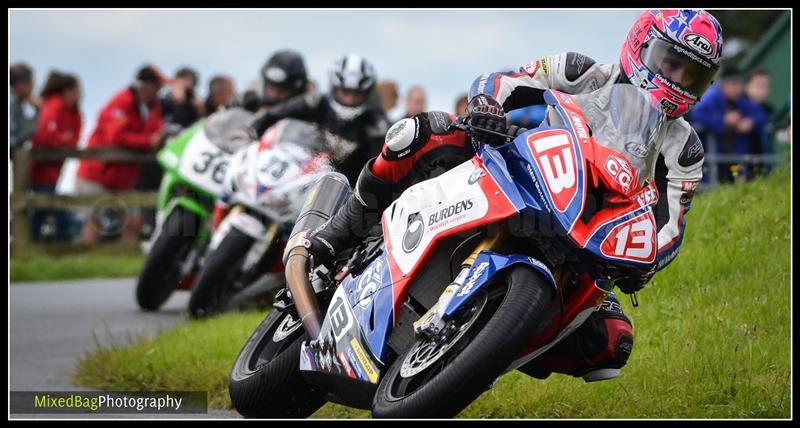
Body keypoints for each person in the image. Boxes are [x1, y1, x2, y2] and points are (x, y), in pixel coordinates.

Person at [301, 9, 723, 382]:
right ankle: (341, 232)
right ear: (642, 44)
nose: (678, 80)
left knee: (612, 343)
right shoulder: (582, 71)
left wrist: (646, 261)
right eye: (672, 63)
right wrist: (486, 106)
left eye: (694, 74)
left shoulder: (684, 149)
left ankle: (489, 346)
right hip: (516, 169)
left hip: (588, 235)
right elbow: (505, 79)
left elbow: (670, 227)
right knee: (424, 132)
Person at [243, 53, 389, 184]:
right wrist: (251, 133)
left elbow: (383, 168)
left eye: (355, 94)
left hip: (339, 195)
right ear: (334, 87)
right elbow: (273, 115)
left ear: (366, 93)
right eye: (344, 92)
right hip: (293, 176)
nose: (349, 99)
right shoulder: (315, 102)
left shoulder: (376, 125)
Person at [75, 64, 166, 245]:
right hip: (98, 174)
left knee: (134, 222)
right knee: (94, 221)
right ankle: (87, 261)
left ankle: (123, 259)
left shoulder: (152, 106)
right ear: (147, 86)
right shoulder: (121, 102)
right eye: (158, 87)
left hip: (124, 178)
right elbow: (115, 136)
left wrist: (154, 139)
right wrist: (147, 141)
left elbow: (157, 129)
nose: (160, 91)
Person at [29, 71, 82, 242]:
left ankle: (29, 249)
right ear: (68, 91)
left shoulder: (74, 112)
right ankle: (59, 249)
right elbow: (44, 136)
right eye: (78, 90)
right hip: (41, 170)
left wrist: (63, 138)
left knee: (41, 212)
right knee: (54, 212)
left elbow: (73, 139)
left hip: (53, 171)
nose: (81, 94)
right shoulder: (54, 105)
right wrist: (63, 138)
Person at [688, 67, 746, 183]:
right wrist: (723, 120)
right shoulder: (713, 95)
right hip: (708, 150)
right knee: (711, 182)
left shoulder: (737, 99)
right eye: (734, 84)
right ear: (726, 84)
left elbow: (755, 112)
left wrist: (748, 121)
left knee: (733, 179)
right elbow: (697, 114)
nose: (738, 89)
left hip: (728, 150)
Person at [739, 69, 773, 178]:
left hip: (762, 164)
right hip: (742, 163)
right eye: (759, 85)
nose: (763, 90)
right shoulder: (738, 105)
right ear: (746, 86)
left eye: (766, 85)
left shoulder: (767, 110)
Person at [10, 63, 41, 155]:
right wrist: (39, 111)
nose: (33, 85)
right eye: (31, 81)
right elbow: (18, 136)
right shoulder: (12, 103)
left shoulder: (16, 103)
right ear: (20, 85)